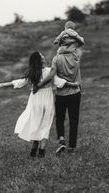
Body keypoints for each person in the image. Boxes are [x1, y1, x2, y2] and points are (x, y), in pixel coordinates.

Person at [0, 51, 79, 158]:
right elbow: (58, 81)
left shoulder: (32, 72)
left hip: (35, 100)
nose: (44, 57)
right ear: (40, 60)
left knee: (37, 123)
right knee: (45, 125)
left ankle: (34, 147)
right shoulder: (49, 71)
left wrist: (4, 84)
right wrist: (73, 84)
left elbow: (21, 82)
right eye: (42, 56)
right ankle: (41, 151)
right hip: (47, 99)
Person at [35, 22, 84, 155]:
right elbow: (80, 43)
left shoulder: (56, 59)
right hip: (75, 93)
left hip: (61, 95)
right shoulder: (77, 56)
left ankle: (61, 140)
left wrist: (38, 85)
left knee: (60, 119)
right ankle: (72, 148)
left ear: (62, 43)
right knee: (74, 120)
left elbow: (51, 75)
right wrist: (74, 35)